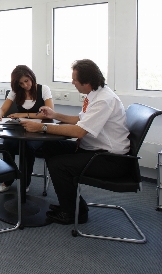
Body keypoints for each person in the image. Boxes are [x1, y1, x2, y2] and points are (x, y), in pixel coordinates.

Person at [20, 59, 131, 225]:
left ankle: (75, 213)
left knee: (59, 164)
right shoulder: (95, 95)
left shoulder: (104, 100)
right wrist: (54, 115)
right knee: (51, 146)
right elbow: (80, 120)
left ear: (87, 83)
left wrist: (41, 128)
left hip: (110, 159)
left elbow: (79, 131)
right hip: (93, 148)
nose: (72, 83)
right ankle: (70, 204)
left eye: (75, 80)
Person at [0, 65, 54, 193]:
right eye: (21, 83)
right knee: (7, 144)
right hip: (20, 129)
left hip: (39, 130)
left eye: (27, 81)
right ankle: (8, 179)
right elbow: (3, 108)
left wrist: (24, 115)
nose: (25, 85)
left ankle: (25, 182)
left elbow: (50, 113)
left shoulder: (43, 90)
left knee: (28, 147)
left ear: (31, 77)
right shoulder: (15, 91)